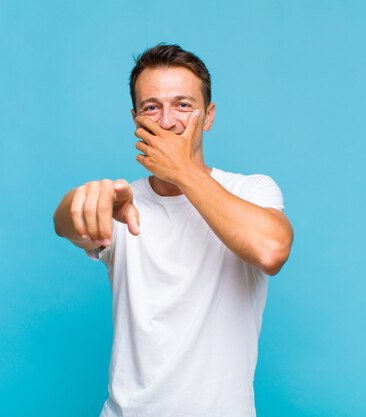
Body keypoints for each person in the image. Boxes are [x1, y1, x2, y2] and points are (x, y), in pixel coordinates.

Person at [53, 44, 294, 417]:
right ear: (136, 119)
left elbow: (271, 251)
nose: (167, 122)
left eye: (184, 105)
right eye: (152, 107)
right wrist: (80, 203)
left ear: (209, 116)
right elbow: (66, 223)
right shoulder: (123, 203)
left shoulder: (251, 190)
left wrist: (182, 170)